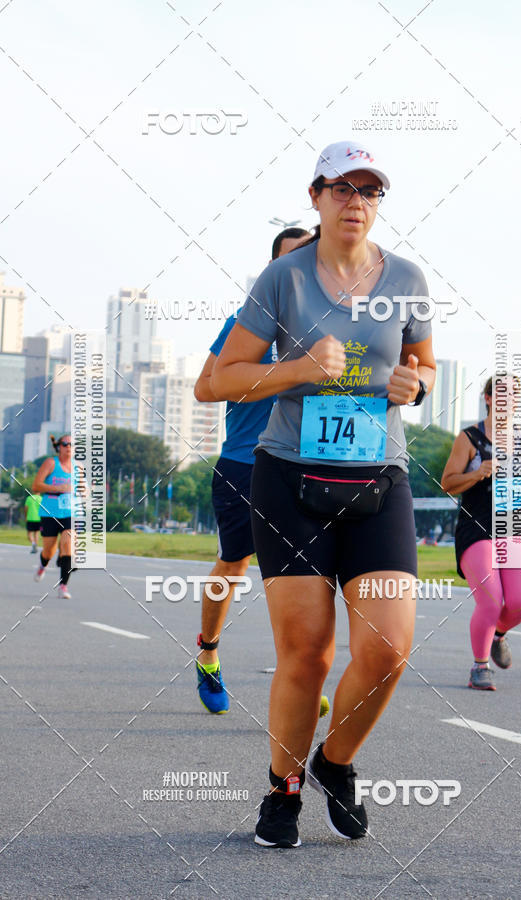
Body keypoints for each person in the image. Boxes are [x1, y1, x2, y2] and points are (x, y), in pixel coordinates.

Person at [211, 141, 436, 848]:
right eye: (341, 188)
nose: (355, 202)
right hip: (288, 477)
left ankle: (333, 763)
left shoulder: (406, 277)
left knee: (389, 649)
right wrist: (297, 368)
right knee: (307, 652)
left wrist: (418, 385)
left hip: (379, 476)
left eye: (369, 191)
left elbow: (422, 363)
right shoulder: (282, 279)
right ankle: (282, 790)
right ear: (316, 196)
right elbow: (218, 380)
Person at [193, 227, 311, 714]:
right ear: (271, 272)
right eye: (289, 263)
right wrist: (279, 373)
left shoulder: (330, 331)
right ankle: (208, 652)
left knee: (300, 579)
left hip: (304, 470)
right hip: (245, 465)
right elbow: (205, 388)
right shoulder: (244, 325)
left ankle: (299, 679)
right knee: (235, 566)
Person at [440, 376, 521, 690]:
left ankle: (497, 634)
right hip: (477, 529)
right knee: (491, 599)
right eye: (502, 393)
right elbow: (448, 483)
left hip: (513, 528)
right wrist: (477, 473)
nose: (509, 399)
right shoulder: (469, 438)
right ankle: (480, 666)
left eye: (515, 394)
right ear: (487, 398)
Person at [31, 434, 75, 599]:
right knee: (49, 551)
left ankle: (63, 586)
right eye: (65, 444)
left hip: (70, 512)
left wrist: (86, 491)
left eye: (72, 444)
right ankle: (43, 564)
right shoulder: (51, 463)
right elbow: (36, 486)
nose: (68, 447)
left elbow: (85, 488)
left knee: (68, 546)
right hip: (50, 513)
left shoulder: (78, 467)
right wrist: (59, 488)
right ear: (59, 447)